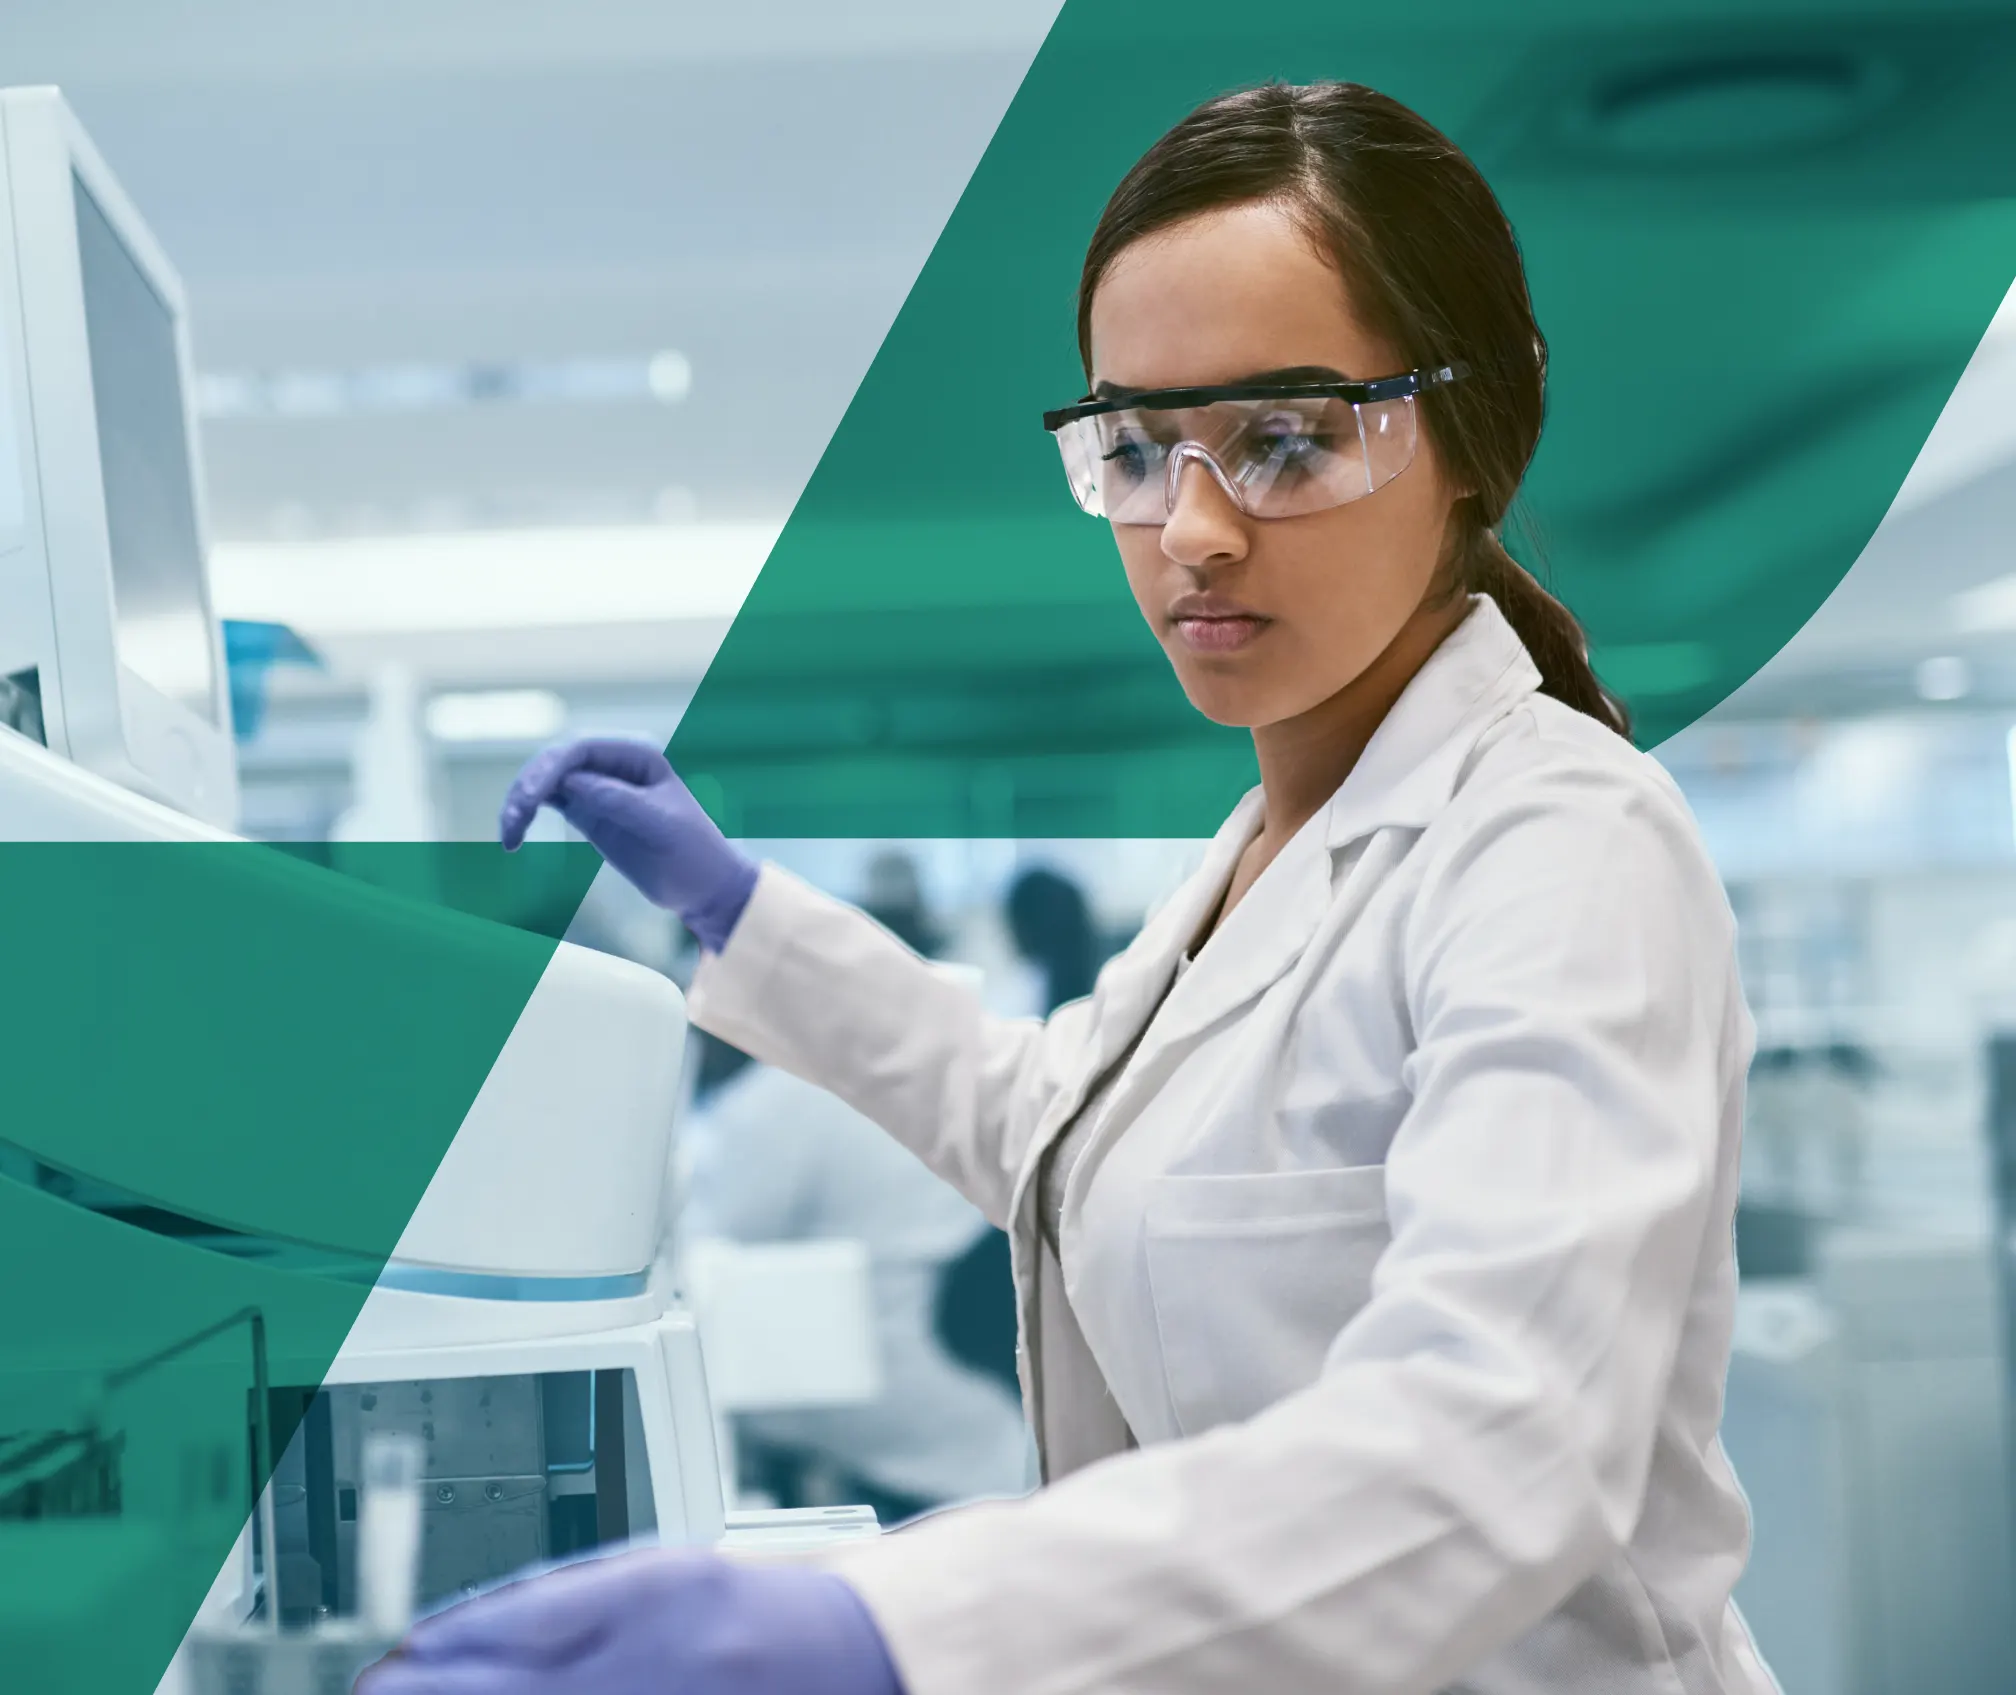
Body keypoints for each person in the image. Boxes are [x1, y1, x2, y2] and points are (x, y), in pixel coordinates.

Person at [367, 80, 1774, 1695]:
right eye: (1137, 445)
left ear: (1474, 432)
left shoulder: (1561, 845)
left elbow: (1497, 1442)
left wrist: (893, 1630)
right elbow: (1052, 1128)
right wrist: (742, 912)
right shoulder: (1254, 865)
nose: (1192, 531)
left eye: (1286, 440)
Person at [676, 857, 1033, 1526]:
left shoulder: (774, 1104)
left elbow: (696, 1258)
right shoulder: (853, 1081)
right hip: (972, 1423)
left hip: (890, 1429)